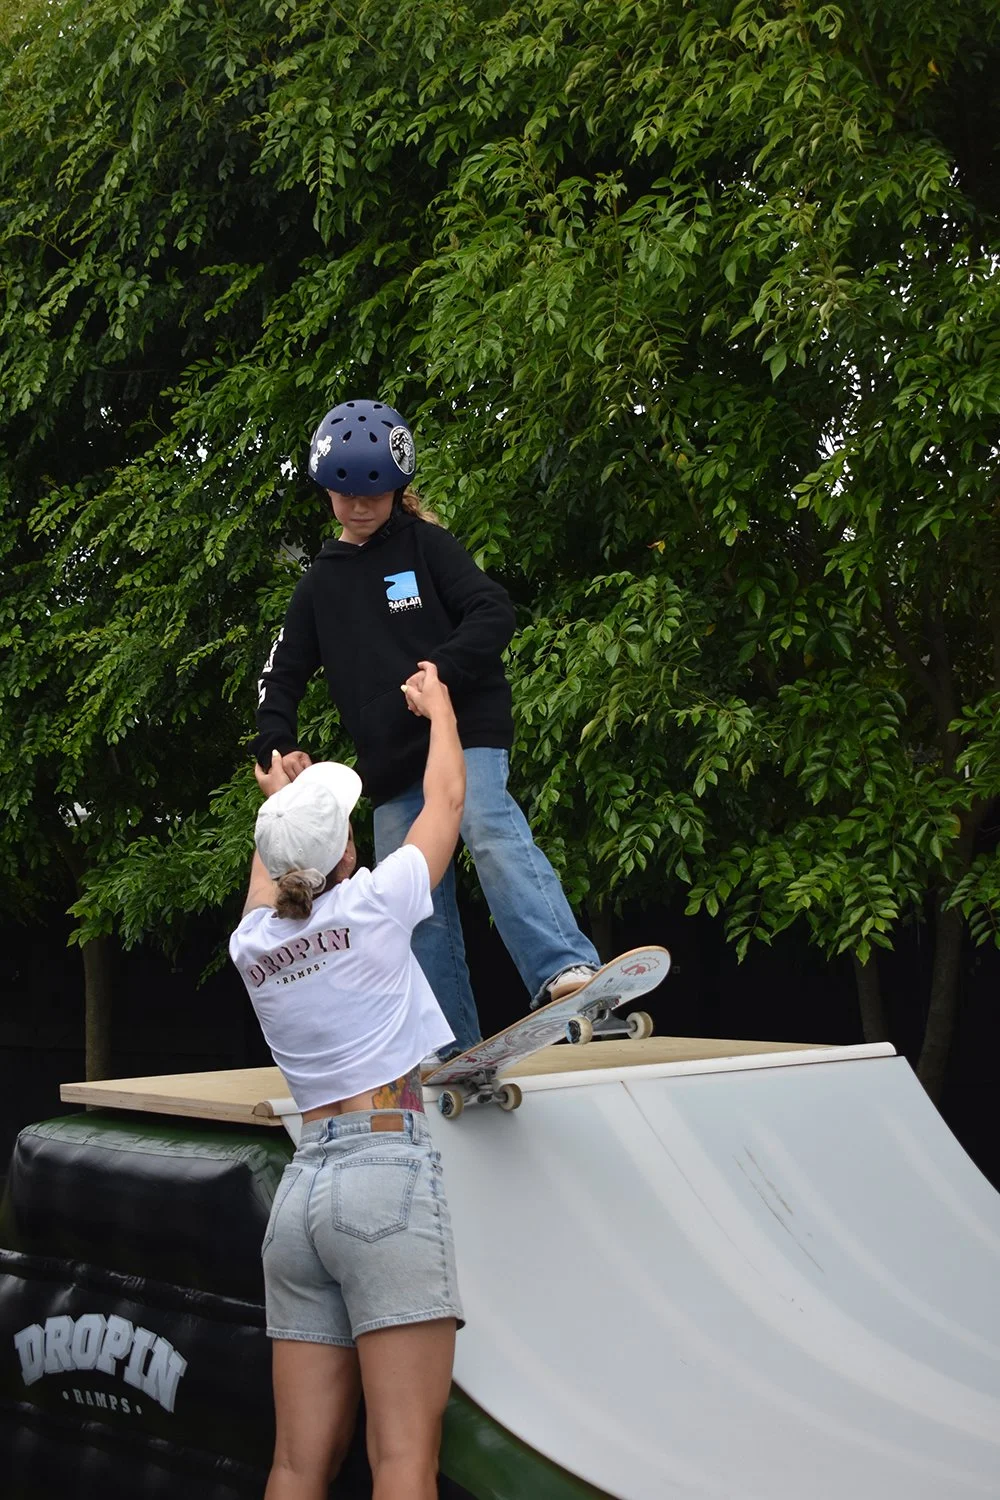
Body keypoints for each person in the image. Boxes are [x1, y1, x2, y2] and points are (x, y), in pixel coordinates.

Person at [254, 397, 601, 1058]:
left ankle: (563, 969)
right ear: (327, 489)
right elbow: (282, 673)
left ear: (398, 489)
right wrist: (276, 742)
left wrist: (439, 669)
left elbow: (492, 611)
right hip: (391, 762)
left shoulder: (426, 546)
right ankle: (448, 1046)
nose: (361, 508)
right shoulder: (318, 587)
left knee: (486, 826)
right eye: (348, 495)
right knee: (410, 901)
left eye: (377, 495)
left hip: (465, 726)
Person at [230, 661, 465, 1500]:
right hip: (384, 1180)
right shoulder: (376, 904)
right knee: (402, 1460)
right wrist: (441, 713)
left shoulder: (253, 949)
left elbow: (273, 873)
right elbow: (445, 806)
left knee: (297, 1465)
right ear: (348, 850)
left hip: (301, 1198)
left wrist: (276, 804)